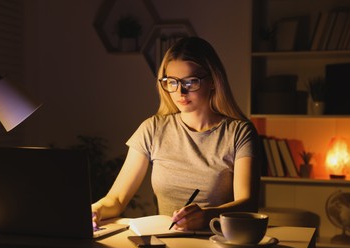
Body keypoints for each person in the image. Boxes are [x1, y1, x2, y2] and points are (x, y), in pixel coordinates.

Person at [92, 36, 261, 231]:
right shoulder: (152, 129)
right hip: (165, 244)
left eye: (190, 81)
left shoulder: (239, 133)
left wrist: (206, 217)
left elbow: (248, 204)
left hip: (217, 243)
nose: (180, 91)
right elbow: (117, 199)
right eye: (171, 82)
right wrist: (96, 210)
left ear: (213, 81)